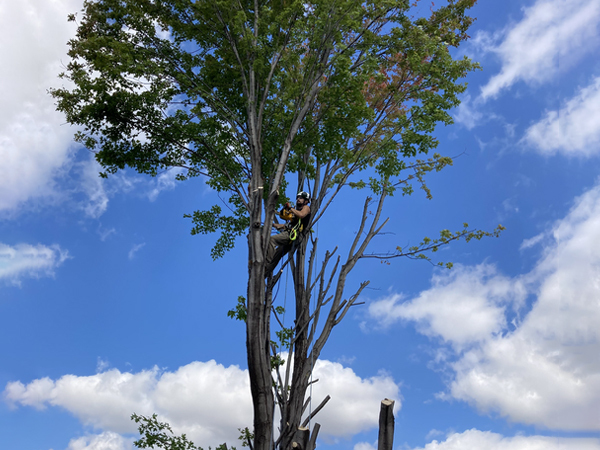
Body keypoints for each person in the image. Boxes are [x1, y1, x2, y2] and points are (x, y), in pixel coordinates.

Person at [266, 191, 311, 274]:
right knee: (277, 254)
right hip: (291, 235)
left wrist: (291, 209)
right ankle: (265, 272)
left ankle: (266, 262)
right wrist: (272, 225)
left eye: (301, 198)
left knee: (271, 240)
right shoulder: (295, 211)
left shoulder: (306, 208)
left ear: (306, 201)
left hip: (294, 235)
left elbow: (301, 215)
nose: (298, 199)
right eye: (298, 198)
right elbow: (287, 225)